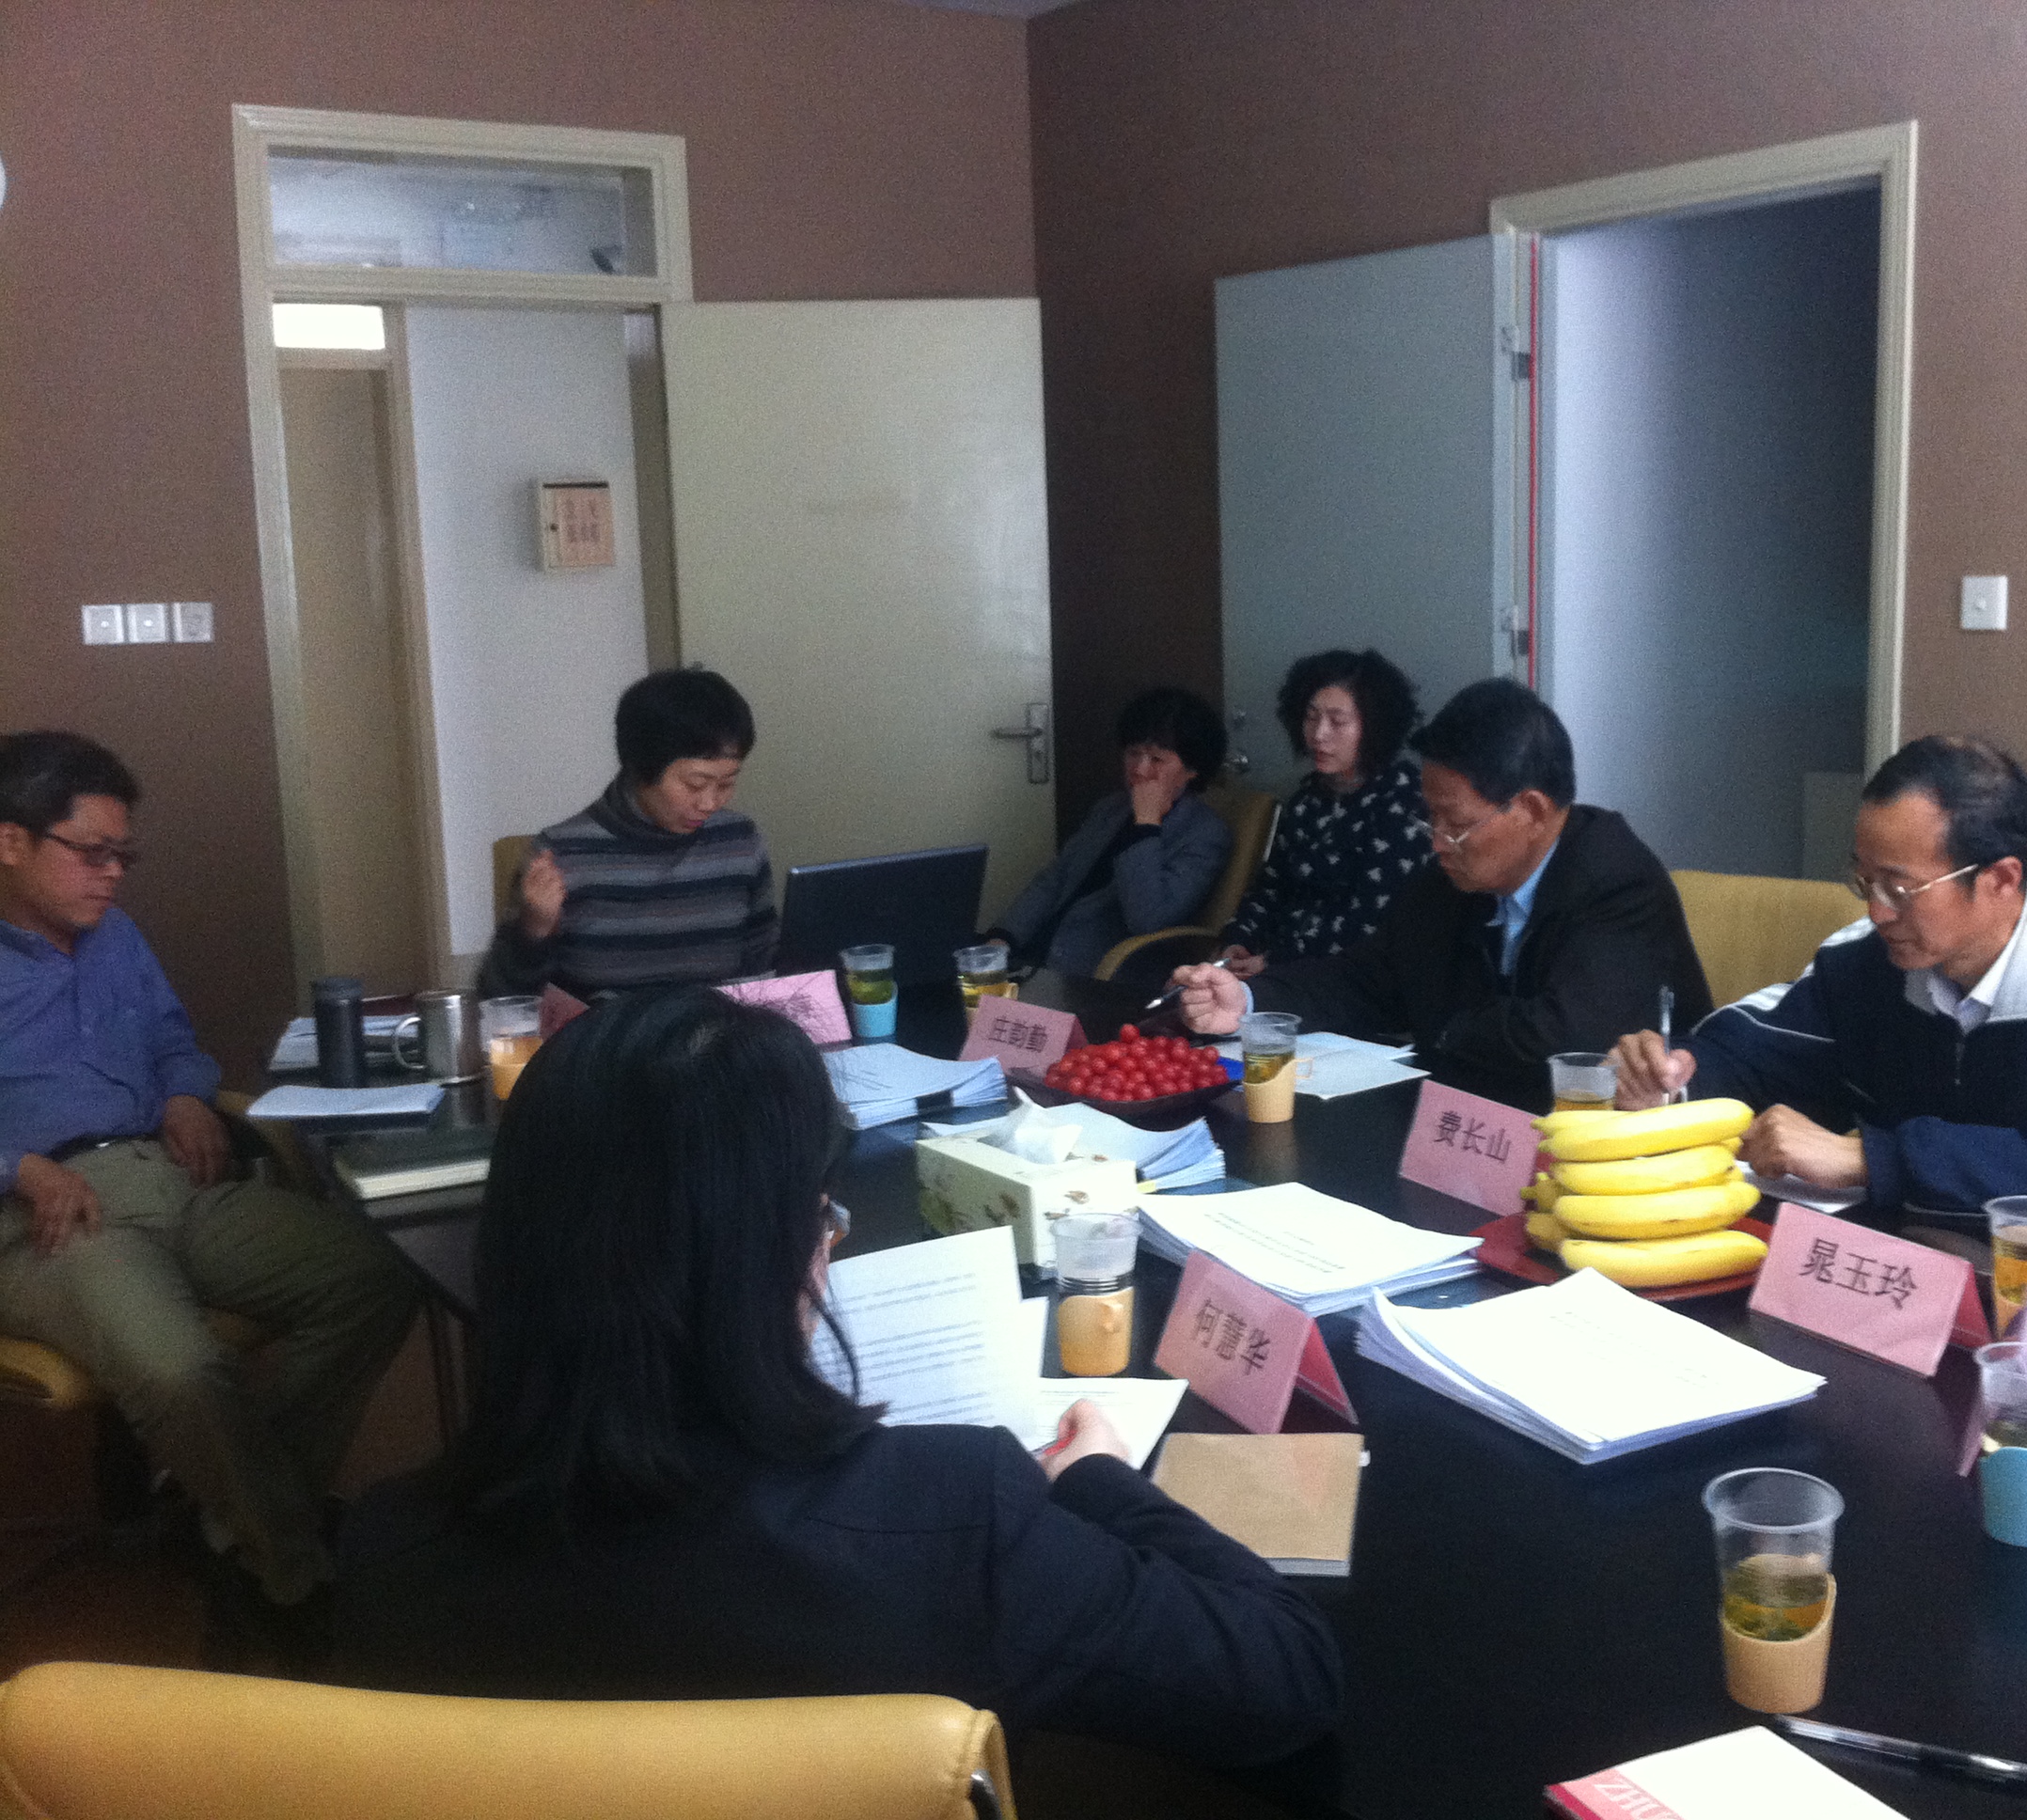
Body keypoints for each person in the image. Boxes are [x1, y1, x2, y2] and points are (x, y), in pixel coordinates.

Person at [333, 989, 1342, 1767]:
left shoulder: (383, 1559)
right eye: (820, 1219)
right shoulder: (958, 1522)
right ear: (765, 1262)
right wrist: (1097, 1481)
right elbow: (1287, 1675)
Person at [0, 731, 421, 1631]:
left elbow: (171, 1041)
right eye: (92, 853)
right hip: (48, 1215)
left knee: (375, 1276)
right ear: (11, 841)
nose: (113, 876)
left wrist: (188, 1096)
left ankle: (233, 1516)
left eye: (125, 856)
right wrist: (19, 1165)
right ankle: (291, 1579)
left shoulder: (114, 936)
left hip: (164, 1175)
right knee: (182, 1370)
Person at [1610, 734, 2027, 1258]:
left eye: (1899, 888)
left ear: (2000, 879)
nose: (1877, 911)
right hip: (1943, 1267)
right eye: (1864, 879)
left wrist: (1871, 1159)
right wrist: (1672, 1076)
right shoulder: (1869, 959)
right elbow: (1757, 1053)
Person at [1172, 678, 1711, 1109]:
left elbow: (1569, 1038)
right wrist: (1248, 1002)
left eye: (1454, 822)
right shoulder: (1455, 878)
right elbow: (1370, 977)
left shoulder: (1616, 881)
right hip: (1480, 1118)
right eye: (1430, 816)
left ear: (1531, 811)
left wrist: (1443, 1028)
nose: (1436, 841)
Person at [478, 667, 776, 999]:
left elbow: (765, 971)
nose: (710, 803)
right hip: (605, 1031)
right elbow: (499, 999)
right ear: (641, 768)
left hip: (717, 1028)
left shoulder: (739, 842)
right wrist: (534, 929)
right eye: (695, 784)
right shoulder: (563, 855)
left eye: (726, 783)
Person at [989, 687, 1233, 979]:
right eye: (1133, 754)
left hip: (1095, 972)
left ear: (1192, 770)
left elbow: (1147, 918)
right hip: (1035, 952)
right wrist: (1004, 937)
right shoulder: (1111, 808)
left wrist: (1146, 824)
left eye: (1156, 759)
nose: (1139, 769)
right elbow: (1055, 879)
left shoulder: (1205, 835)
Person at [1218, 648, 1432, 974]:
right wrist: (1238, 940)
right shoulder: (1306, 801)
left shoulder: (1403, 801)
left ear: (1374, 726)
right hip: (1276, 961)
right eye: (1311, 717)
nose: (1319, 735)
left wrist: (1271, 963)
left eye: (1337, 721)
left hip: (1345, 973)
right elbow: (1271, 888)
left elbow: (1369, 919)